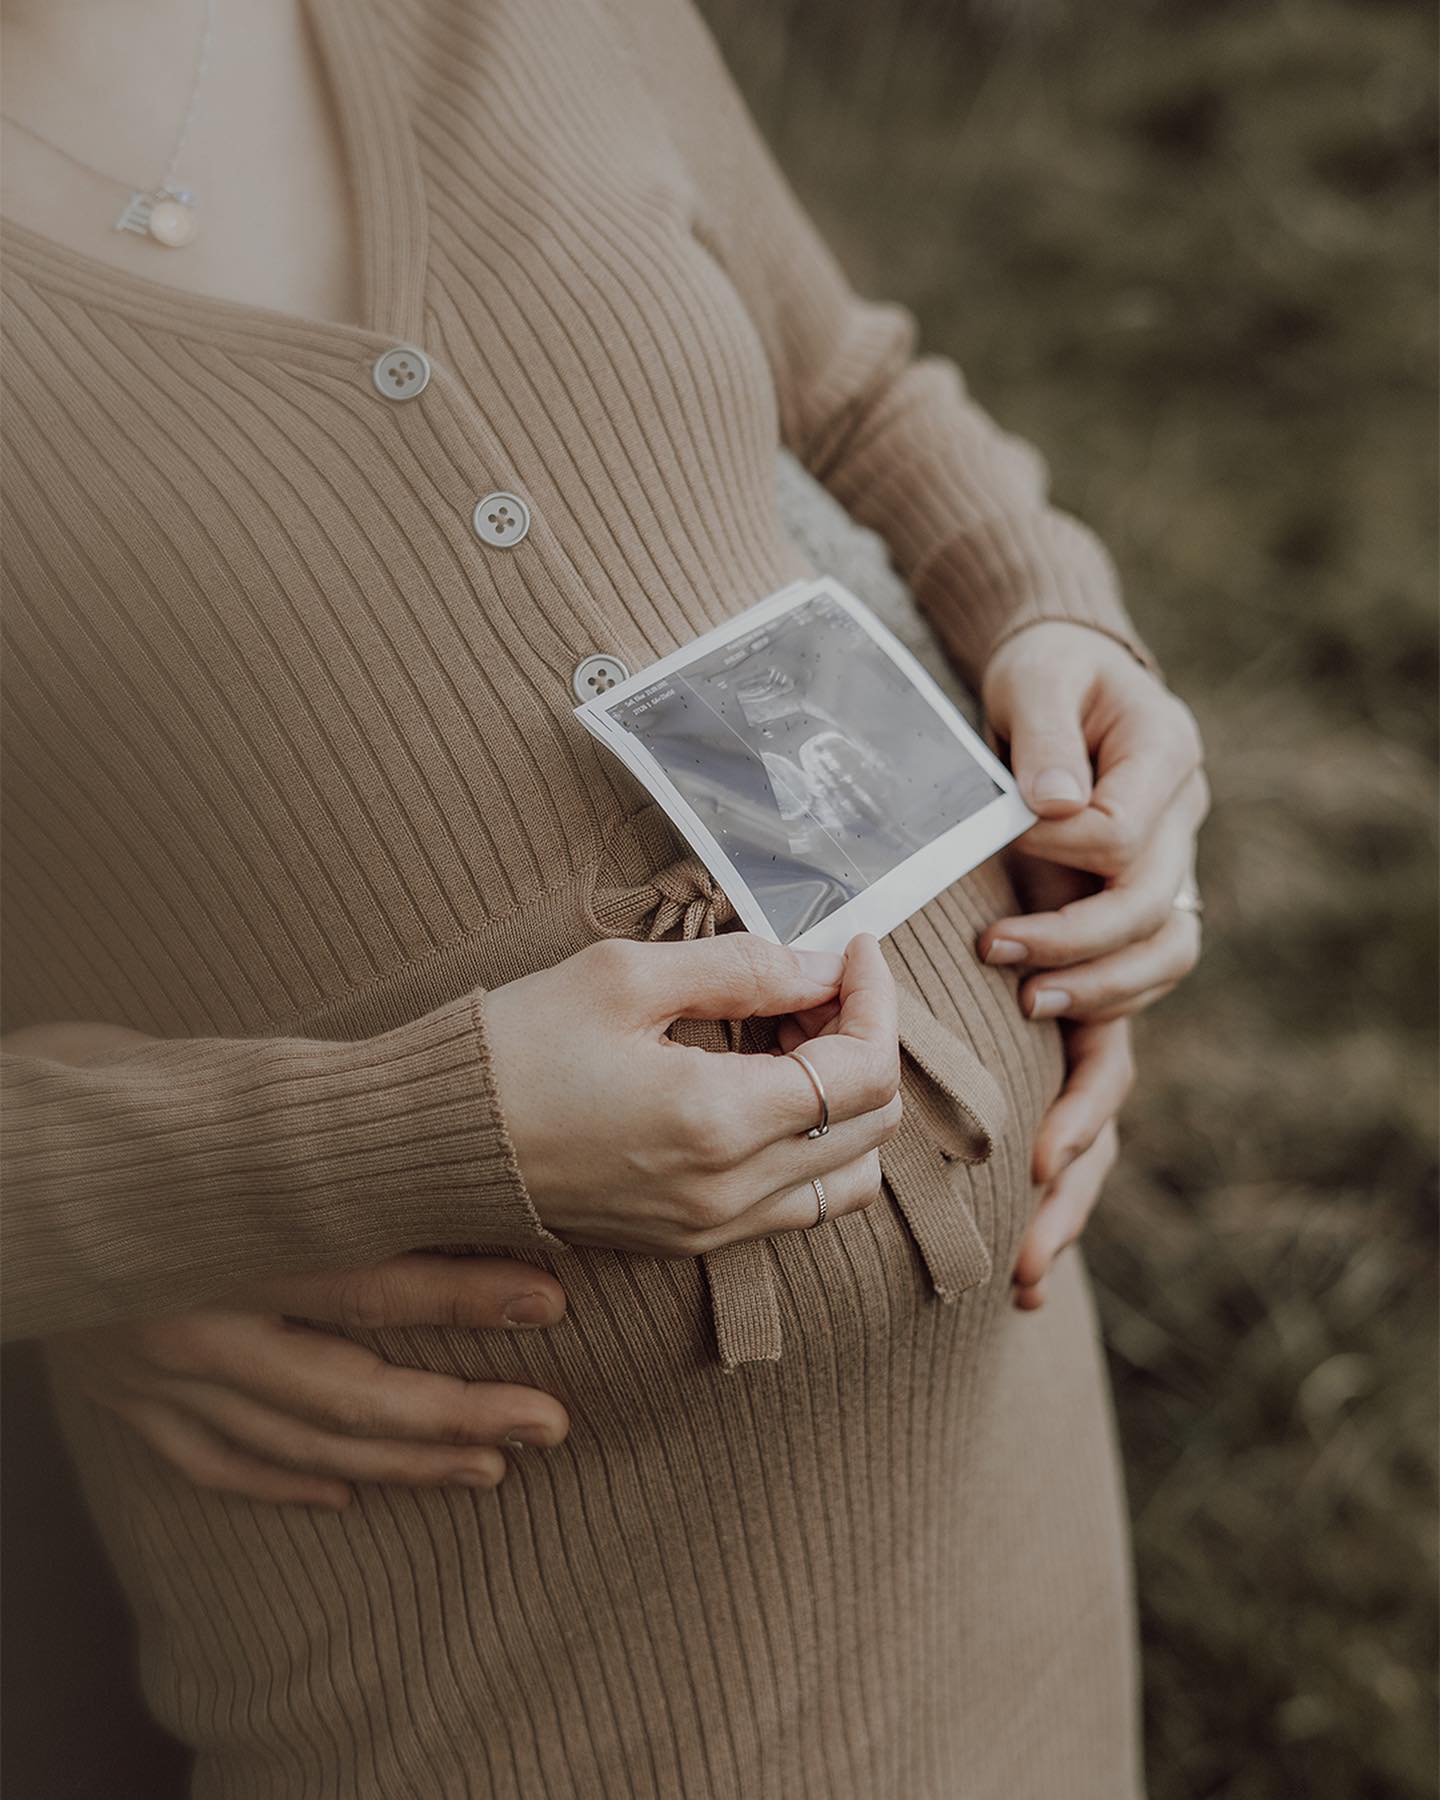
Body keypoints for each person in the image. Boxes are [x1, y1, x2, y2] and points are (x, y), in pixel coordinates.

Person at [0, 0, 1207, 1794]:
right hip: (499, 1652)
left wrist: (1043, 603)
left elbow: (852, 384)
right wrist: (348, 1146)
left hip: (1005, 1462)